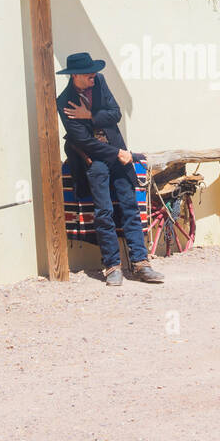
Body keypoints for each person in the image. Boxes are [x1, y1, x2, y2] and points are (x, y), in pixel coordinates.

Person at [56, 52, 162, 286]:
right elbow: (83, 141)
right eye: (88, 73)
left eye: (93, 71)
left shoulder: (99, 82)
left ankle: (141, 263)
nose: (93, 75)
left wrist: (90, 116)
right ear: (75, 76)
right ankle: (112, 265)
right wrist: (117, 154)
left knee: (129, 205)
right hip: (92, 159)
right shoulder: (63, 102)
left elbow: (115, 114)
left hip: (115, 151)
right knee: (104, 212)